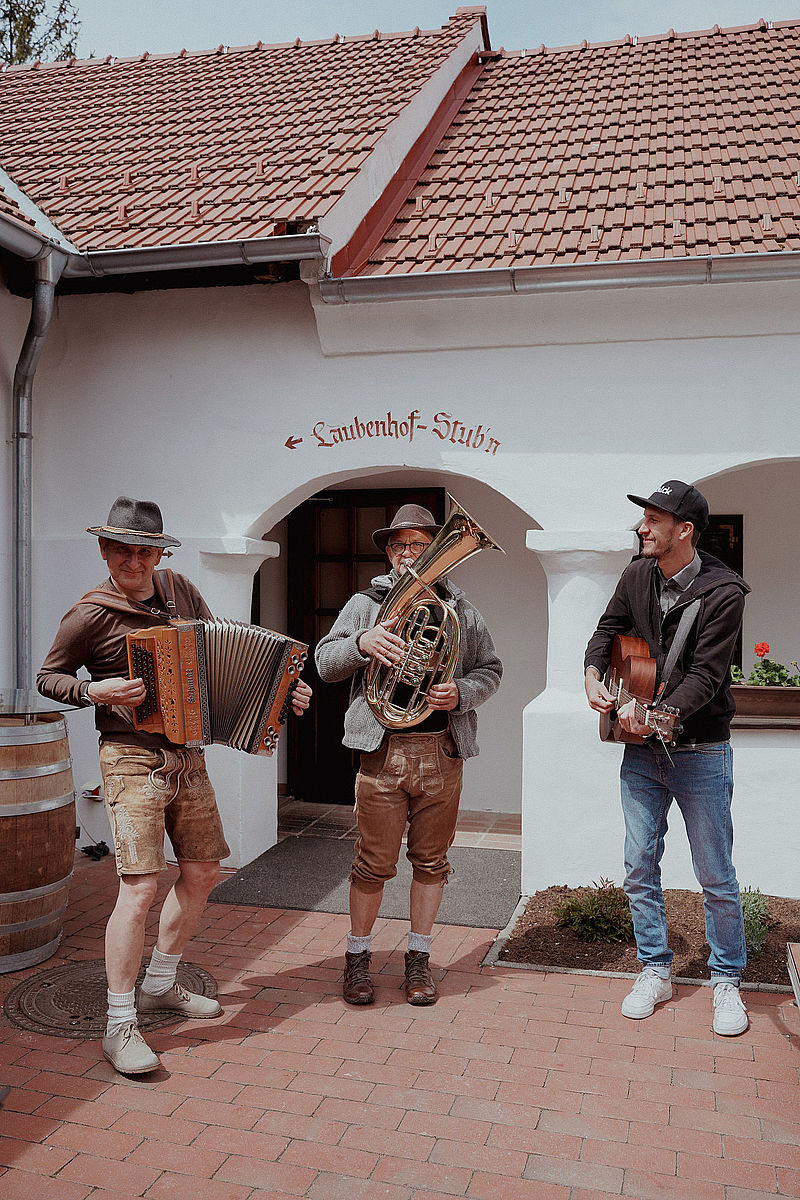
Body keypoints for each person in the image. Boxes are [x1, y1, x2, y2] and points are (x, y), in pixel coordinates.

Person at [37, 497, 311, 1075]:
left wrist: (286, 692)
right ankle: (119, 1023)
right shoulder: (89, 614)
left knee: (203, 871)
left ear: (159, 552)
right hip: (130, 757)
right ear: (105, 550)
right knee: (139, 887)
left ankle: (161, 984)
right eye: (121, 550)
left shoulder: (181, 591)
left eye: (144, 550)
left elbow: (215, 657)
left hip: (187, 756)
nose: (133, 561)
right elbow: (47, 677)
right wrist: (95, 692)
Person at [315, 503, 502, 1007]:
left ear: (437, 550)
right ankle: (357, 959)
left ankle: (417, 959)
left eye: (419, 545)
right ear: (389, 553)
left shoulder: (461, 611)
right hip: (382, 753)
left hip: (442, 752)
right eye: (399, 546)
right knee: (372, 864)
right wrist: (362, 642)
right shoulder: (363, 604)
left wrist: (461, 691)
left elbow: (492, 669)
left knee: (432, 862)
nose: (408, 554)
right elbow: (324, 663)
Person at [584, 480, 750, 1036]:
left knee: (715, 874)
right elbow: (605, 632)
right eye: (643, 519)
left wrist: (658, 716)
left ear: (684, 530)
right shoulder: (637, 574)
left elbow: (707, 675)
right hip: (640, 755)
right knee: (638, 867)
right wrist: (592, 678)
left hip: (701, 750)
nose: (641, 528)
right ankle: (655, 968)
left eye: (653, 520)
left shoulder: (724, 591)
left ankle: (727, 979)